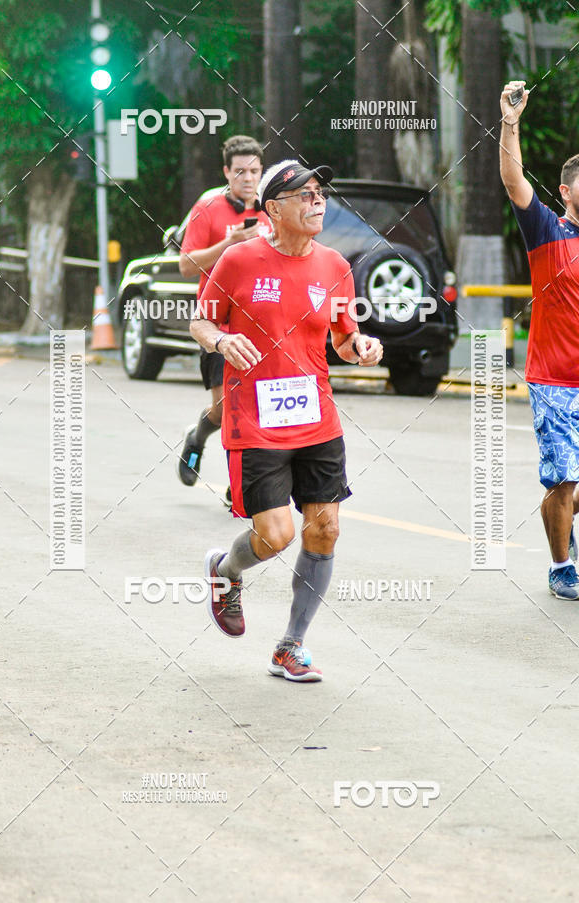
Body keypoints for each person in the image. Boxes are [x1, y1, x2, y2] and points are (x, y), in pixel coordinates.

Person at [190, 159, 383, 681]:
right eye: (305, 195)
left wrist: (362, 347)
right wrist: (221, 340)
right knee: (275, 536)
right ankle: (226, 571)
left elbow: (343, 338)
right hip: (255, 421)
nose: (317, 202)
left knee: (325, 530)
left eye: (320, 194)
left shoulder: (335, 266)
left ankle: (291, 644)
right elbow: (201, 320)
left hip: (318, 421)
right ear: (274, 209)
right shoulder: (238, 260)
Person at [499, 80, 579, 600]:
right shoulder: (548, 231)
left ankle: (564, 521)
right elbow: (513, 180)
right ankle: (561, 565)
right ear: (566, 192)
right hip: (555, 382)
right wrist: (510, 122)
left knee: (573, 487)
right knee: (563, 480)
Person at [177, 135, 271, 489]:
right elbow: (186, 265)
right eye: (240, 171)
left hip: (263, 321)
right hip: (218, 323)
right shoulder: (208, 207)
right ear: (227, 172)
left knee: (259, 406)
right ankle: (197, 434)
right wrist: (229, 243)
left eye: (254, 171)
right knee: (225, 409)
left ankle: (241, 484)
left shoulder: (272, 208)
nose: (248, 178)